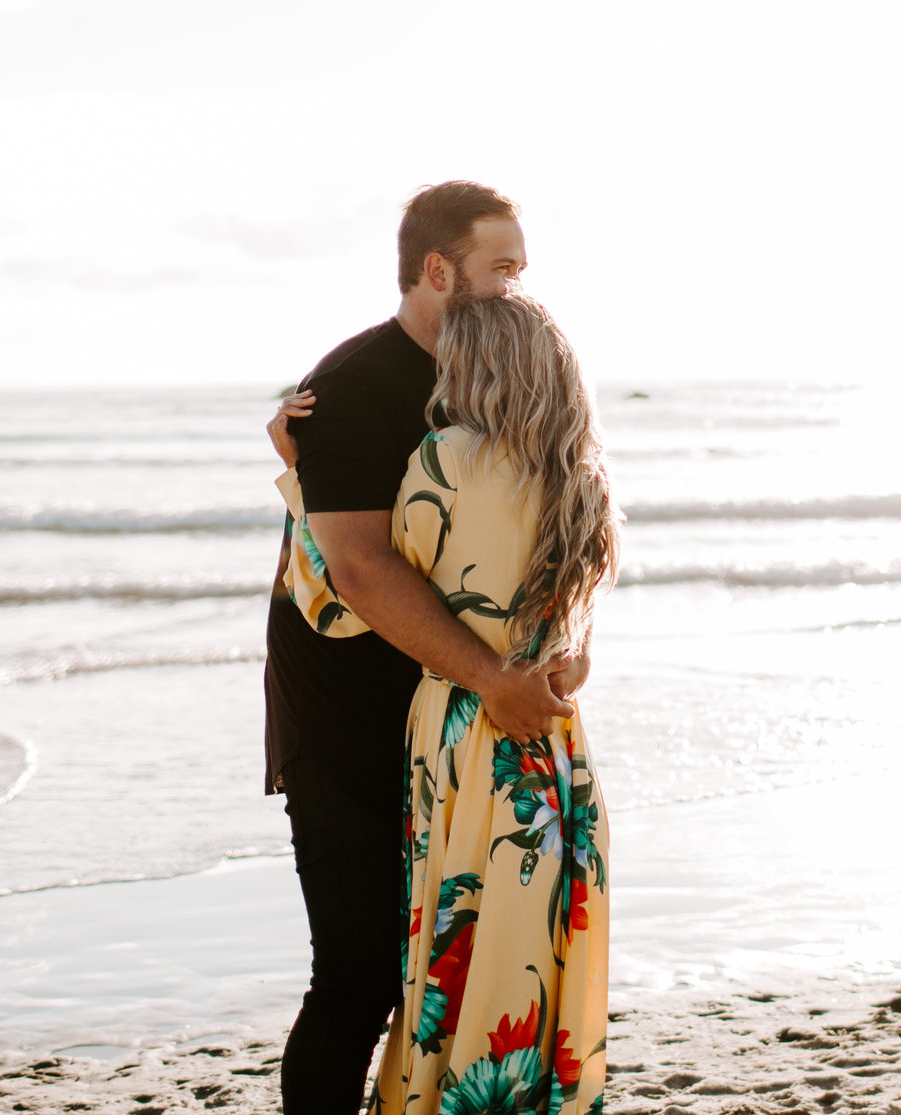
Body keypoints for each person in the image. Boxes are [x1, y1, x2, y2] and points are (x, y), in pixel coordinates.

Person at [262, 182, 582, 1115]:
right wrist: (491, 676)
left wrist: (562, 646)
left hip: (453, 723)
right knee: (359, 976)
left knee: (453, 969)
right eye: (503, 267)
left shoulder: (507, 382)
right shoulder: (355, 387)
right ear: (438, 271)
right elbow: (357, 569)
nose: (520, 286)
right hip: (349, 719)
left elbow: (542, 529)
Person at [366, 289, 613, 1115]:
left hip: (470, 729)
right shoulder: (579, 473)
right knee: (533, 950)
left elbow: (356, 588)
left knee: (459, 937)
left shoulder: (448, 458)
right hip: (555, 740)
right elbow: (574, 647)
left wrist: (298, 480)